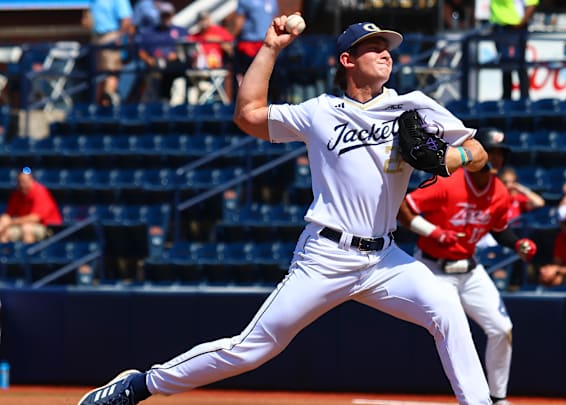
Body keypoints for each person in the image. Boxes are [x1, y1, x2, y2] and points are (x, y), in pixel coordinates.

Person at [77, 17, 494, 405]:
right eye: (373, 47)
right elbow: (248, 115)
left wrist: (452, 156)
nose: (385, 52)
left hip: (385, 258)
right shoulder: (319, 111)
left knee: (447, 310)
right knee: (252, 349)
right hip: (327, 254)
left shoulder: (414, 106)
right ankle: (140, 384)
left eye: (387, 46)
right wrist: (271, 48)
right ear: (347, 60)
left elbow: (478, 151)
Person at [397, 130, 536, 405]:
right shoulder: (447, 182)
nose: (494, 158)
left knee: (501, 328)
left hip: (470, 270)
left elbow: (499, 229)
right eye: (490, 151)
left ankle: (498, 397)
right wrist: (434, 232)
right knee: (456, 332)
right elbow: (403, 207)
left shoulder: (499, 192)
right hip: (434, 268)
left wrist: (517, 244)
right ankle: (473, 399)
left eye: (499, 153)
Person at [135, 2, 189, 103]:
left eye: (168, 15)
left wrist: (176, 55)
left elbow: (187, 49)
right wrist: (148, 59)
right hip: (153, 66)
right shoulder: (149, 32)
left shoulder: (181, 31)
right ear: (159, 16)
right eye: (163, 15)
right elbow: (141, 51)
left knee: (172, 71)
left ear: (173, 15)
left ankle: (169, 101)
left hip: (174, 67)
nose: (166, 18)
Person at [83, 0, 134, 106]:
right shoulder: (94, 1)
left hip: (111, 36)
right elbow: (86, 19)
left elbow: (127, 20)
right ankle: (97, 105)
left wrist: (119, 36)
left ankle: (108, 104)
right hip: (96, 38)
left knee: (111, 72)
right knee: (98, 74)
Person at [490, 0, 538, 100]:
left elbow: (531, 5)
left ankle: (524, 100)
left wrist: (520, 24)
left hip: (514, 27)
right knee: (505, 65)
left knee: (519, 65)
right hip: (499, 25)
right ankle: (506, 99)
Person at [0, 167, 62, 244]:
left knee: (27, 228)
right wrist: (4, 220)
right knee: (4, 228)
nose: (22, 184)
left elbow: (35, 218)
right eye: (19, 182)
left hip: (48, 228)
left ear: (32, 180)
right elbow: (9, 214)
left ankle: (26, 255)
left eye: (24, 182)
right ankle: (4, 254)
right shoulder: (17, 193)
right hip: (22, 225)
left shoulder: (40, 192)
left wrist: (12, 222)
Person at [231, 0, 279, 87]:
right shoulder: (271, 1)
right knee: (263, 79)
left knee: (248, 79)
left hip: (255, 45)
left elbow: (239, 23)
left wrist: (230, 38)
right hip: (259, 45)